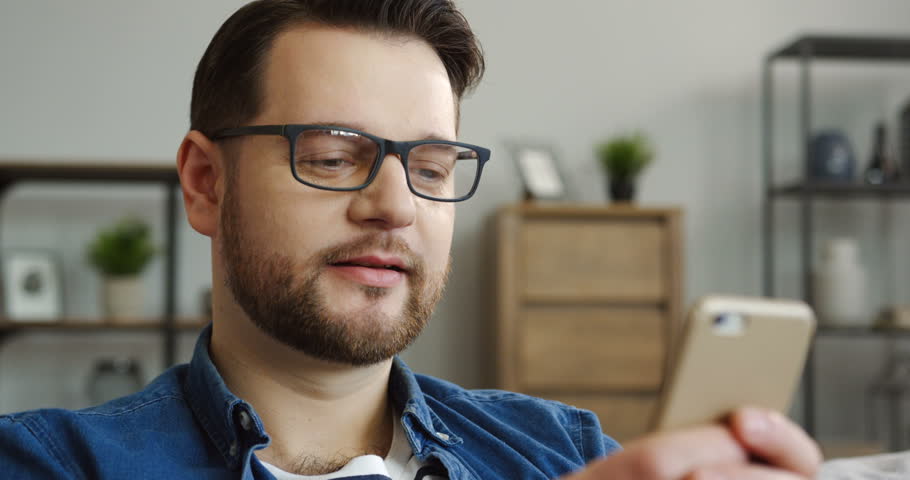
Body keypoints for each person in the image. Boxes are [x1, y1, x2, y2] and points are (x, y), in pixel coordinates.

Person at [0, 1, 822, 478]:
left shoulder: (560, 454)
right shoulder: (50, 465)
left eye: (431, 167)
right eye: (330, 157)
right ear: (205, 183)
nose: (392, 206)